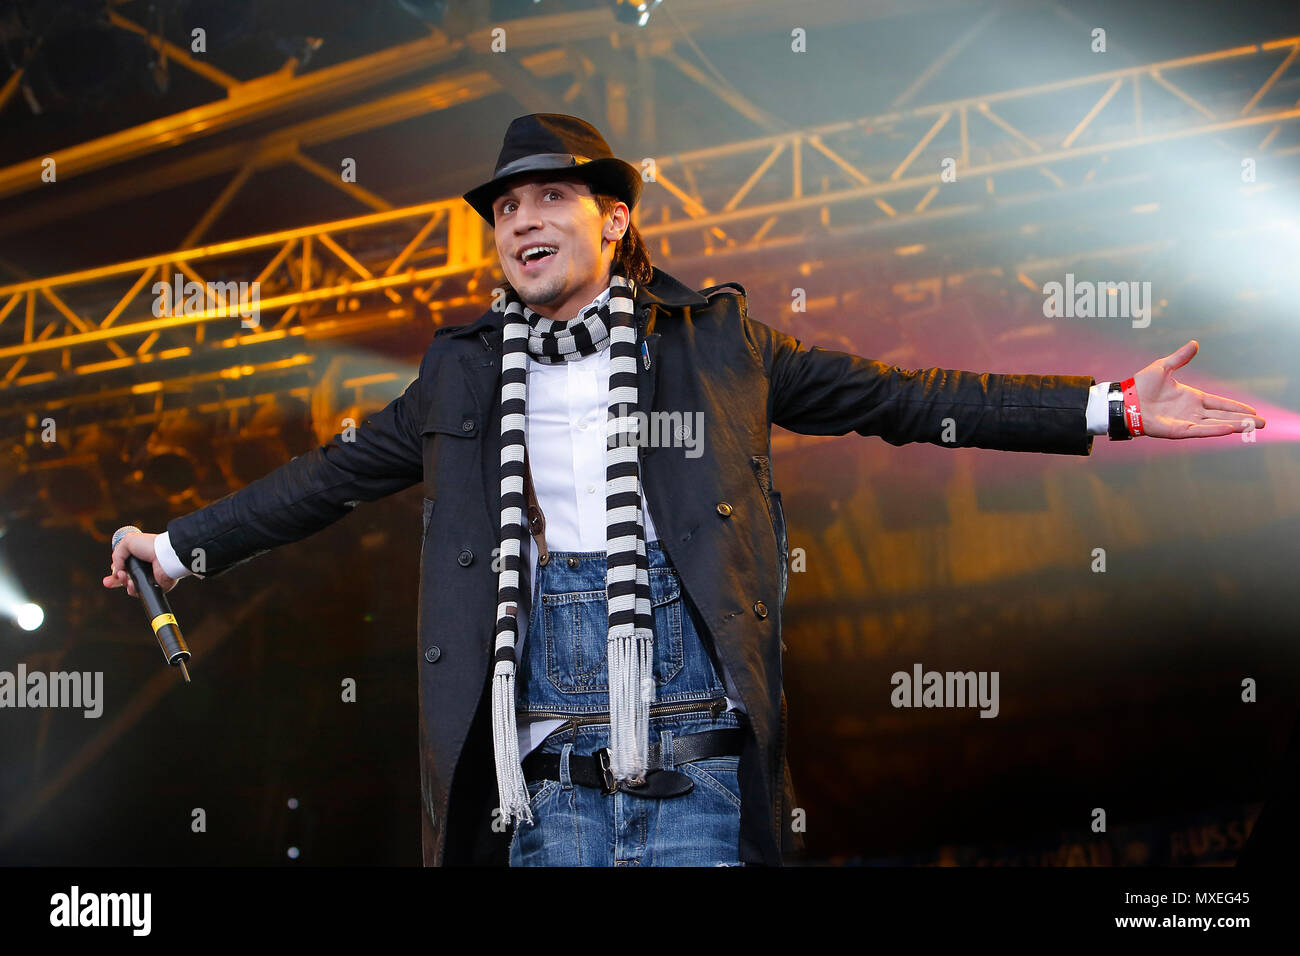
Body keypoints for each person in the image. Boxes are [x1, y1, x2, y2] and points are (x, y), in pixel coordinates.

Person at [104, 113, 1266, 866]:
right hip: (539, 797)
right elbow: (329, 477)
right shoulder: (458, 372)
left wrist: (1106, 404)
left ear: (613, 219)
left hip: (699, 781)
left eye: (546, 199)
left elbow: (901, 396)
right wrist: (174, 543)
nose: (520, 222)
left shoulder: (713, 343)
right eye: (504, 211)